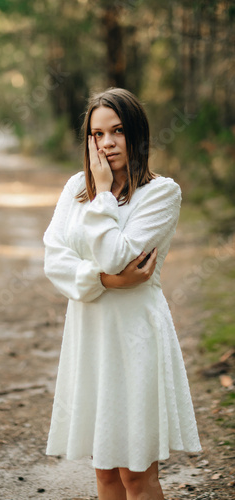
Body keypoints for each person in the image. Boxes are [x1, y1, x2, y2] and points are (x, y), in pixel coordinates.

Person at [43, 88, 201, 500]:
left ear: (136, 134)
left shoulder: (161, 193)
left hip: (135, 337)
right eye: (97, 134)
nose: (107, 142)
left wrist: (106, 193)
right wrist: (107, 282)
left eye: (117, 131)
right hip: (90, 333)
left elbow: (115, 254)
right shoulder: (76, 187)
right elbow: (54, 261)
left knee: (136, 476)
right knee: (105, 477)